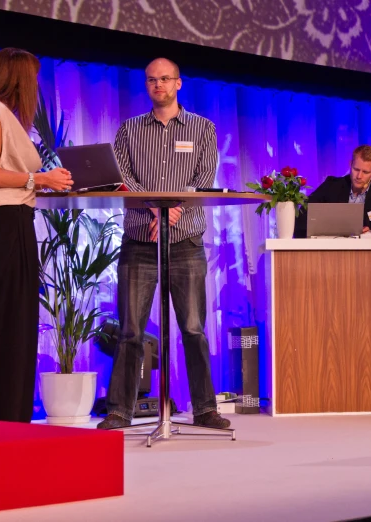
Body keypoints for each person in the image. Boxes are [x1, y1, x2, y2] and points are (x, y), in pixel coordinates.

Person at [97, 57, 230, 430]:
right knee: (131, 330)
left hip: (186, 239)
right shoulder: (129, 130)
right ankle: (120, 411)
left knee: (193, 328)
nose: (159, 85)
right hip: (140, 238)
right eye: (152, 80)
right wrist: (156, 208)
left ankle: (204, 409)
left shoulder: (203, 129)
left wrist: (172, 209)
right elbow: (121, 178)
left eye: (165, 79)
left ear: (179, 84)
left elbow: (205, 177)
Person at [0, 48, 73, 422]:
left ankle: (8, 414)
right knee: (5, 322)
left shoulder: (3, 115)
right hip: (4, 224)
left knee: (15, 322)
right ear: (21, 79)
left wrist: (42, 184)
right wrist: (39, 178)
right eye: (34, 79)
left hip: (15, 222)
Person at [293, 145, 371, 238]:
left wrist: (370, 233)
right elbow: (303, 216)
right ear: (350, 164)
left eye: (365, 172)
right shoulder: (331, 186)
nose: (359, 176)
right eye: (356, 169)